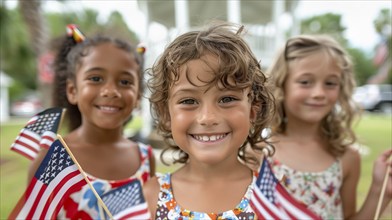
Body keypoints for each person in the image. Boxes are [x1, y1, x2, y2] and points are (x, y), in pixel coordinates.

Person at [142, 21, 278, 219]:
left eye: (227, 99)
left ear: (253, 110)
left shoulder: (271, 197)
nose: (208, 118)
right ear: (166, 114)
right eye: (189, 101)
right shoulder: (151, 197)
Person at [27, 24, 156, 218]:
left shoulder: (145, 159)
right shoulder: (52, 161)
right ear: (73, 91)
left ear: (137, 96)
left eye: (125, 82)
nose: (110, 91)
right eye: (96, 78)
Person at [257, 34, 392, 219]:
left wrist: (380, 189)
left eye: (330, 83)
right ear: (282, 84)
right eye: (305, 82)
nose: (319, 93)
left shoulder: (347, 158)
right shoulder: (258, 152)